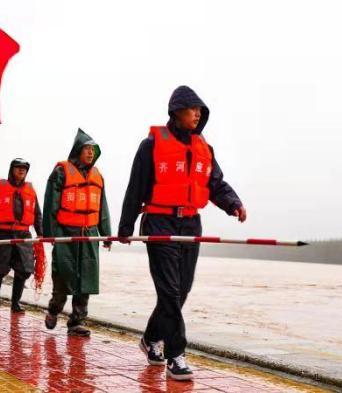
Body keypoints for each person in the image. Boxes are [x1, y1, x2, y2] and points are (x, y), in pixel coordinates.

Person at [118, 86, 247, 380]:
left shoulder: (205, 149)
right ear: (176, 111)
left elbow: (215, 184)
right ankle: (175, 353)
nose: (198, 114)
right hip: (159, 222)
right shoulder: (151, 145)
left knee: (181, 290)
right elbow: (135, 187)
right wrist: (125, 227)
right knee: (169, 291)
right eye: (193, 109)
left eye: (201, 110)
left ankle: (151, 338)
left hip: (190, 224)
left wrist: (234, 204)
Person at [43, 129, 112, 337]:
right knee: (63, 277)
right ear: (77, 151)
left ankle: (76, 322)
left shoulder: (98, 176)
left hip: (89, 235)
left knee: (86, 280)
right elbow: (51, 205)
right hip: (66, 234)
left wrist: (106, 234)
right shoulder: (61, 172)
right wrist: (51, 233)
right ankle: (54, 309)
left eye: (93, 149)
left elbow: (102, 207)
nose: (90, 153)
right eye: (87, 149)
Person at [0, 158, 43, 312]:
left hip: (23, 234)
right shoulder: (0, 187)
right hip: (4, 233)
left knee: (24, 269)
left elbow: (37, 213)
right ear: (12, 169)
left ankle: (15, 302)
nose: (21, 170)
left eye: (24, 168)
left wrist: (41, 233)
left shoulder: (30, 190)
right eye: (18, 167)